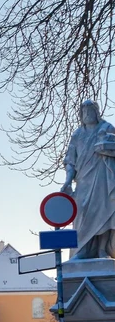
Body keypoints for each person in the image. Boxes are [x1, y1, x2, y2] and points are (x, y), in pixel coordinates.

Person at [61, 99, 115, 259]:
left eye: (90, 111)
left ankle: (102, 250)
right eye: (84, 112)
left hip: (104, 178)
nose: (87, 114)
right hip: (83, 180)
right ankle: (82, 250)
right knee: (82, 213)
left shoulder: (107, 128)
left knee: (104, 212)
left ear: (96, 112)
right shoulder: (77, 135)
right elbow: (70, 160)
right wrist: (68, 180)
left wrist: (106, 150)